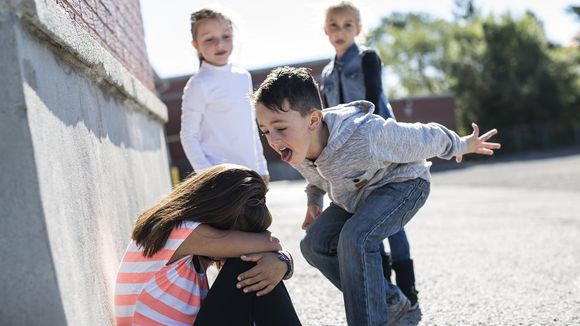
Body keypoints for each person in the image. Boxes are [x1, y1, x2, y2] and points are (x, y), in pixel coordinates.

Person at [252, 66, 500, 325]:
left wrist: (461, 144)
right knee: (313, 245)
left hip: (404, 184)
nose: (273, 139)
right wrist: (314, 201)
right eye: (265, 131)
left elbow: (423, 136)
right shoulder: (295, 146)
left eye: (279, 127)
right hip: (357, 196)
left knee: (355, 237)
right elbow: (315, 176)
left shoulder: (365, 134)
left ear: (313, 120)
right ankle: (388, 301)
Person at [319, 1, 419, 310]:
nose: (340, 31)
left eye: (348, 25)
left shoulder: (367, 59)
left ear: (358, 29)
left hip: (381, 150)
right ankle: (387, 292)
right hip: (348, 158)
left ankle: (408, 291)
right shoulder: (325, 73)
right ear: (326, 30)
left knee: (393, 222)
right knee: (366, 220)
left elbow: (374, 100)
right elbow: (327, 117)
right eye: (334, 25)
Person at [114, 164, 302, 325]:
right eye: (237, 233)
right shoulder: (180, 230)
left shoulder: (182, 234)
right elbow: (272, 243)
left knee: (258, 268)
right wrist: (282, 259)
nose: (237, 240)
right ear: (220, 212)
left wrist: (282, 262)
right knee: (247, 263)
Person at [180, 8, 269, 184]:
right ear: (195, 45)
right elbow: (188, 135)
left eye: (226, 36)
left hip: (251, 173)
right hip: (220, 178)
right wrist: (208, 175)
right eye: (209, 39)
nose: (219, 44)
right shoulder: (198, 85)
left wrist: (261, 167)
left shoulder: (243, 77)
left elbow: (251, 126)